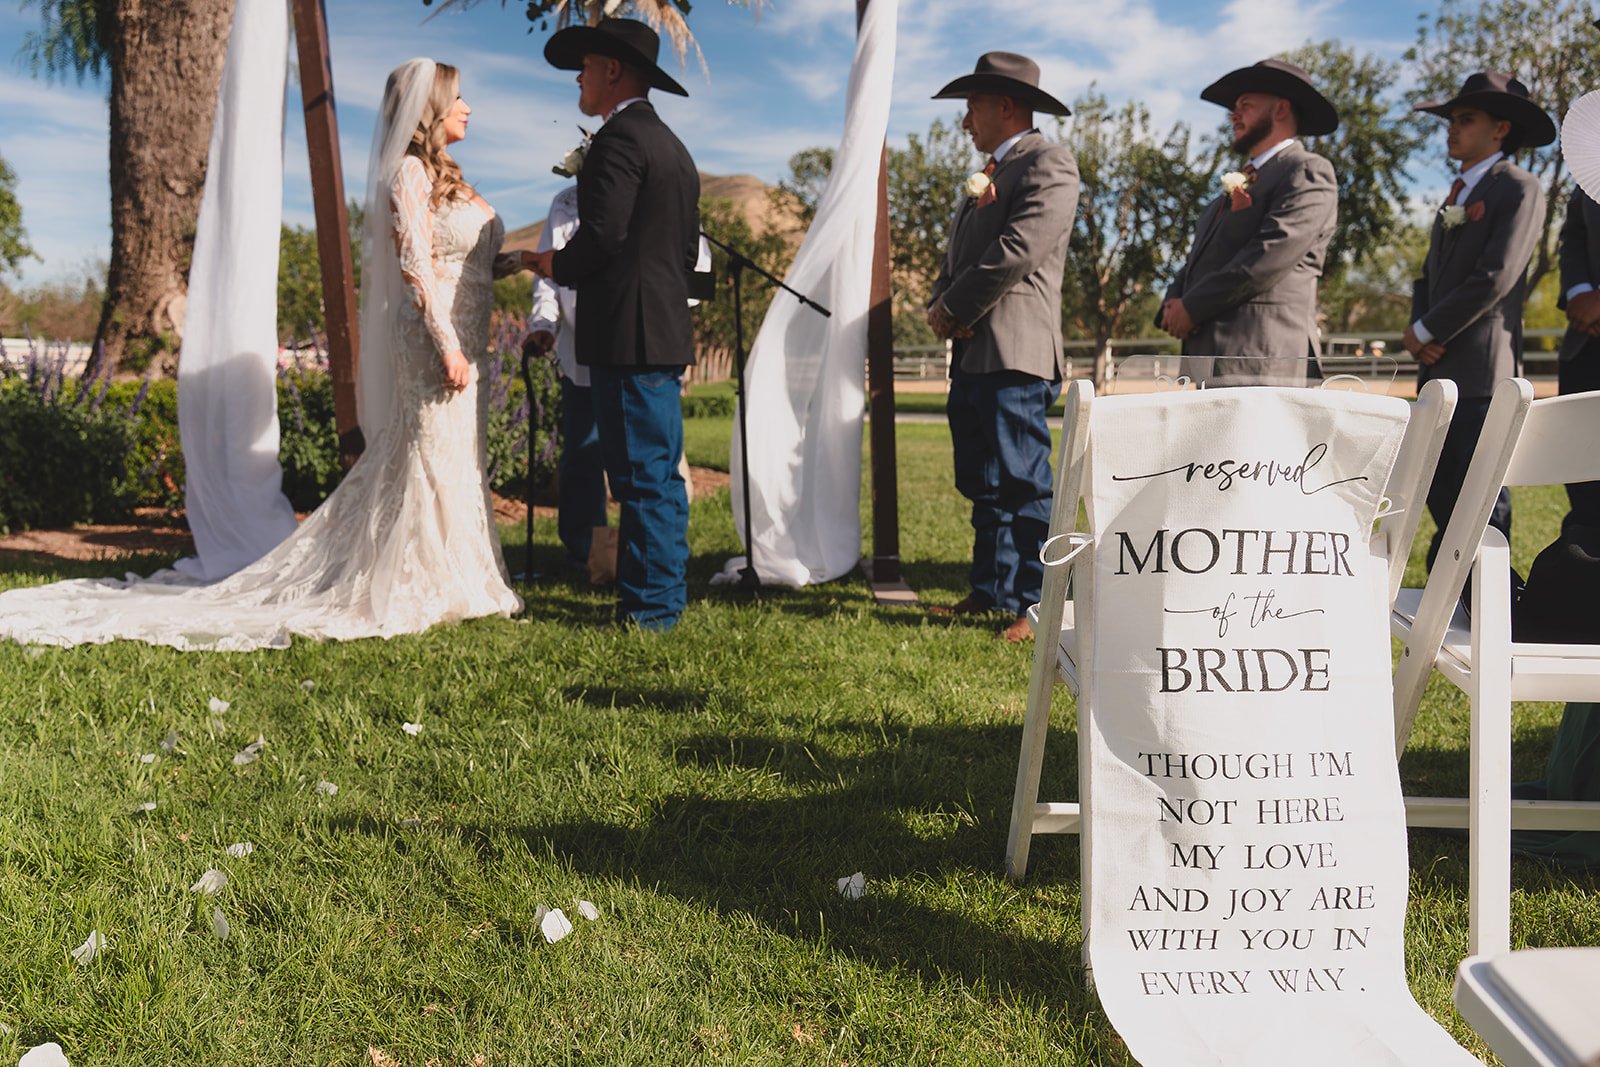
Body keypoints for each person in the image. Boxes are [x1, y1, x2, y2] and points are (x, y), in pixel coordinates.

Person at [0, 59, 528, 649]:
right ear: (430, 106)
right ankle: (421, 581)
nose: (469, 108)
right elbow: (417, 269)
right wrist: (448, 346)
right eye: (459, 98)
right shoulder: (407, 171)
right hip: (434, 341)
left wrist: (521, 263)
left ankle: (462, 577)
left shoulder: (448, 174)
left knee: (459, 455)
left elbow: (466, 263)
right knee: (428, 453)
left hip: (466, 342)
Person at [528, 18, 699, 632]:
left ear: (612, 71)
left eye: (586, 65)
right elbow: (682, 254)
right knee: (657, 474)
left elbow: (602, 238)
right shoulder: (672, 148)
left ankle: (651, 609)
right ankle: (659, 596)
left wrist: (554, 264)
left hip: (627, 337)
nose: (577, 76)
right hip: (657, 333)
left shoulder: (619, 142)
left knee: (641, 478)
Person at [923, 52, 1078, 643]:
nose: (966, 122)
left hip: (1017, 351)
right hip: (972, 353)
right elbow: (959, 258)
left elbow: (1017, 250)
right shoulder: (992, 171)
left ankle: (1038, 607)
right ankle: (989, 590)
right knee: (981, 482)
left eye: (972, 109)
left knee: (1023, 482)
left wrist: (953, 308)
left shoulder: (1050, 164)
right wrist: (941, 303)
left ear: (1005, 106)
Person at [1407, 72, 1551, 570]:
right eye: (1451, 120)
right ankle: (1456, 596)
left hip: (1483, 372)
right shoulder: (1455, 197)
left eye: (1465, 119)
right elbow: (1427, 277)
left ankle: (1492, 597)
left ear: (1500, 129)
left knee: (1483, 498)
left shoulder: (1519, 187)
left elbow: (1496, 276)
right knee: (1440, 490)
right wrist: (1416, 330)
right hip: (1437, 368)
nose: (1452, 128)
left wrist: (1429, 331)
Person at [1159, 59, 1339, 387]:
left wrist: (1192, 307)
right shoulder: (1231, 191)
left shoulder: (1307, 171)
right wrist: (1173, 303)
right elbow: (1198, 259)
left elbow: (1267, 256)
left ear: (1281, 109)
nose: (1234, 114)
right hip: (1206, 359)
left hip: (1261, 359)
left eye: (1245, 105)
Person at [526, 183, 609, 572]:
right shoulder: (565, 202)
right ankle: (588, 553)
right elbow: (547, 273)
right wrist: (544, 323)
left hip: (636, 349)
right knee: (581, 455)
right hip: (578, 352)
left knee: (640, 458)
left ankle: (647, 556)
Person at [1555, 186, 1600, 528]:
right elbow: (1573, 235)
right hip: (1585, 344)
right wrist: (1580, 292)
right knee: (1584, 486)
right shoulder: (1590, 169)